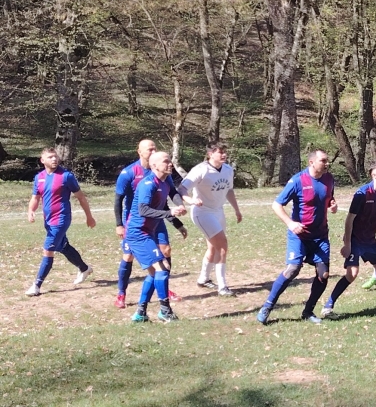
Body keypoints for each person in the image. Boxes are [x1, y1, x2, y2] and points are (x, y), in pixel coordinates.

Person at [257, 150, 338, 325]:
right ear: (311, 162)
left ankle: (308, 311)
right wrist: (290, 223)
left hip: (320, 236)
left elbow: (329, 199)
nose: (327, 164)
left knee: (323, 274)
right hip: (299, 236)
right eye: (323, 161)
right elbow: (276, 204)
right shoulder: (298, 180)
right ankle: (267, 306)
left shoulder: (329, 179)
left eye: (327, 161)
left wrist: (332, 206)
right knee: (292, 269)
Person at [323, 162, 376, 317]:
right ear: (374, 174)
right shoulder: (363, 193)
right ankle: (328, 306)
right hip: (355, 239)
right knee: (352, 273)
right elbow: (349, 219)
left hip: (370, 239)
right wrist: (347, 244)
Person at [113, 139, 185, 308]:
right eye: (149, 150)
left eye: (155, 149)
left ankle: (163, 290)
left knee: (165, 251)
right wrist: (119, 224)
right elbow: (118, 200)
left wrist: (177, 221)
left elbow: (168, 197)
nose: (153, 152)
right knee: (129, 256)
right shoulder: (129, 173)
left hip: (156, 218)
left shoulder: (164, 174)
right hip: (135, 221)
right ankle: (122, 293)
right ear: (139, 152)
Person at [25, 148, 96, 297]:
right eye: (50, 157)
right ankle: (84, 268)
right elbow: (35, 198)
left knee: (48, 250)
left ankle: (37, 285)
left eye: (55, 156)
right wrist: (31, 210)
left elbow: (81, 197)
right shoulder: (39, 177)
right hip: (48, 220)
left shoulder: (66, 176)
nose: (54, 159)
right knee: (62, 246)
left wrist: (89, 216)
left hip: (61, 219)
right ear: (42, 160)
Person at [178, 142, 242, 297]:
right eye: (220, 152)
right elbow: (182, 188)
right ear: (210, 154)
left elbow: (229, 190)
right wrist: (191, 200)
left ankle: (203, 279)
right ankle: (222, 286)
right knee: (222, 246)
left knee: (213, 248)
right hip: (202, 213)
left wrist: (236, 209)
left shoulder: (228, 169)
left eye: (225, 151)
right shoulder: (201, 170)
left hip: (218, 211)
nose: (224, 155)